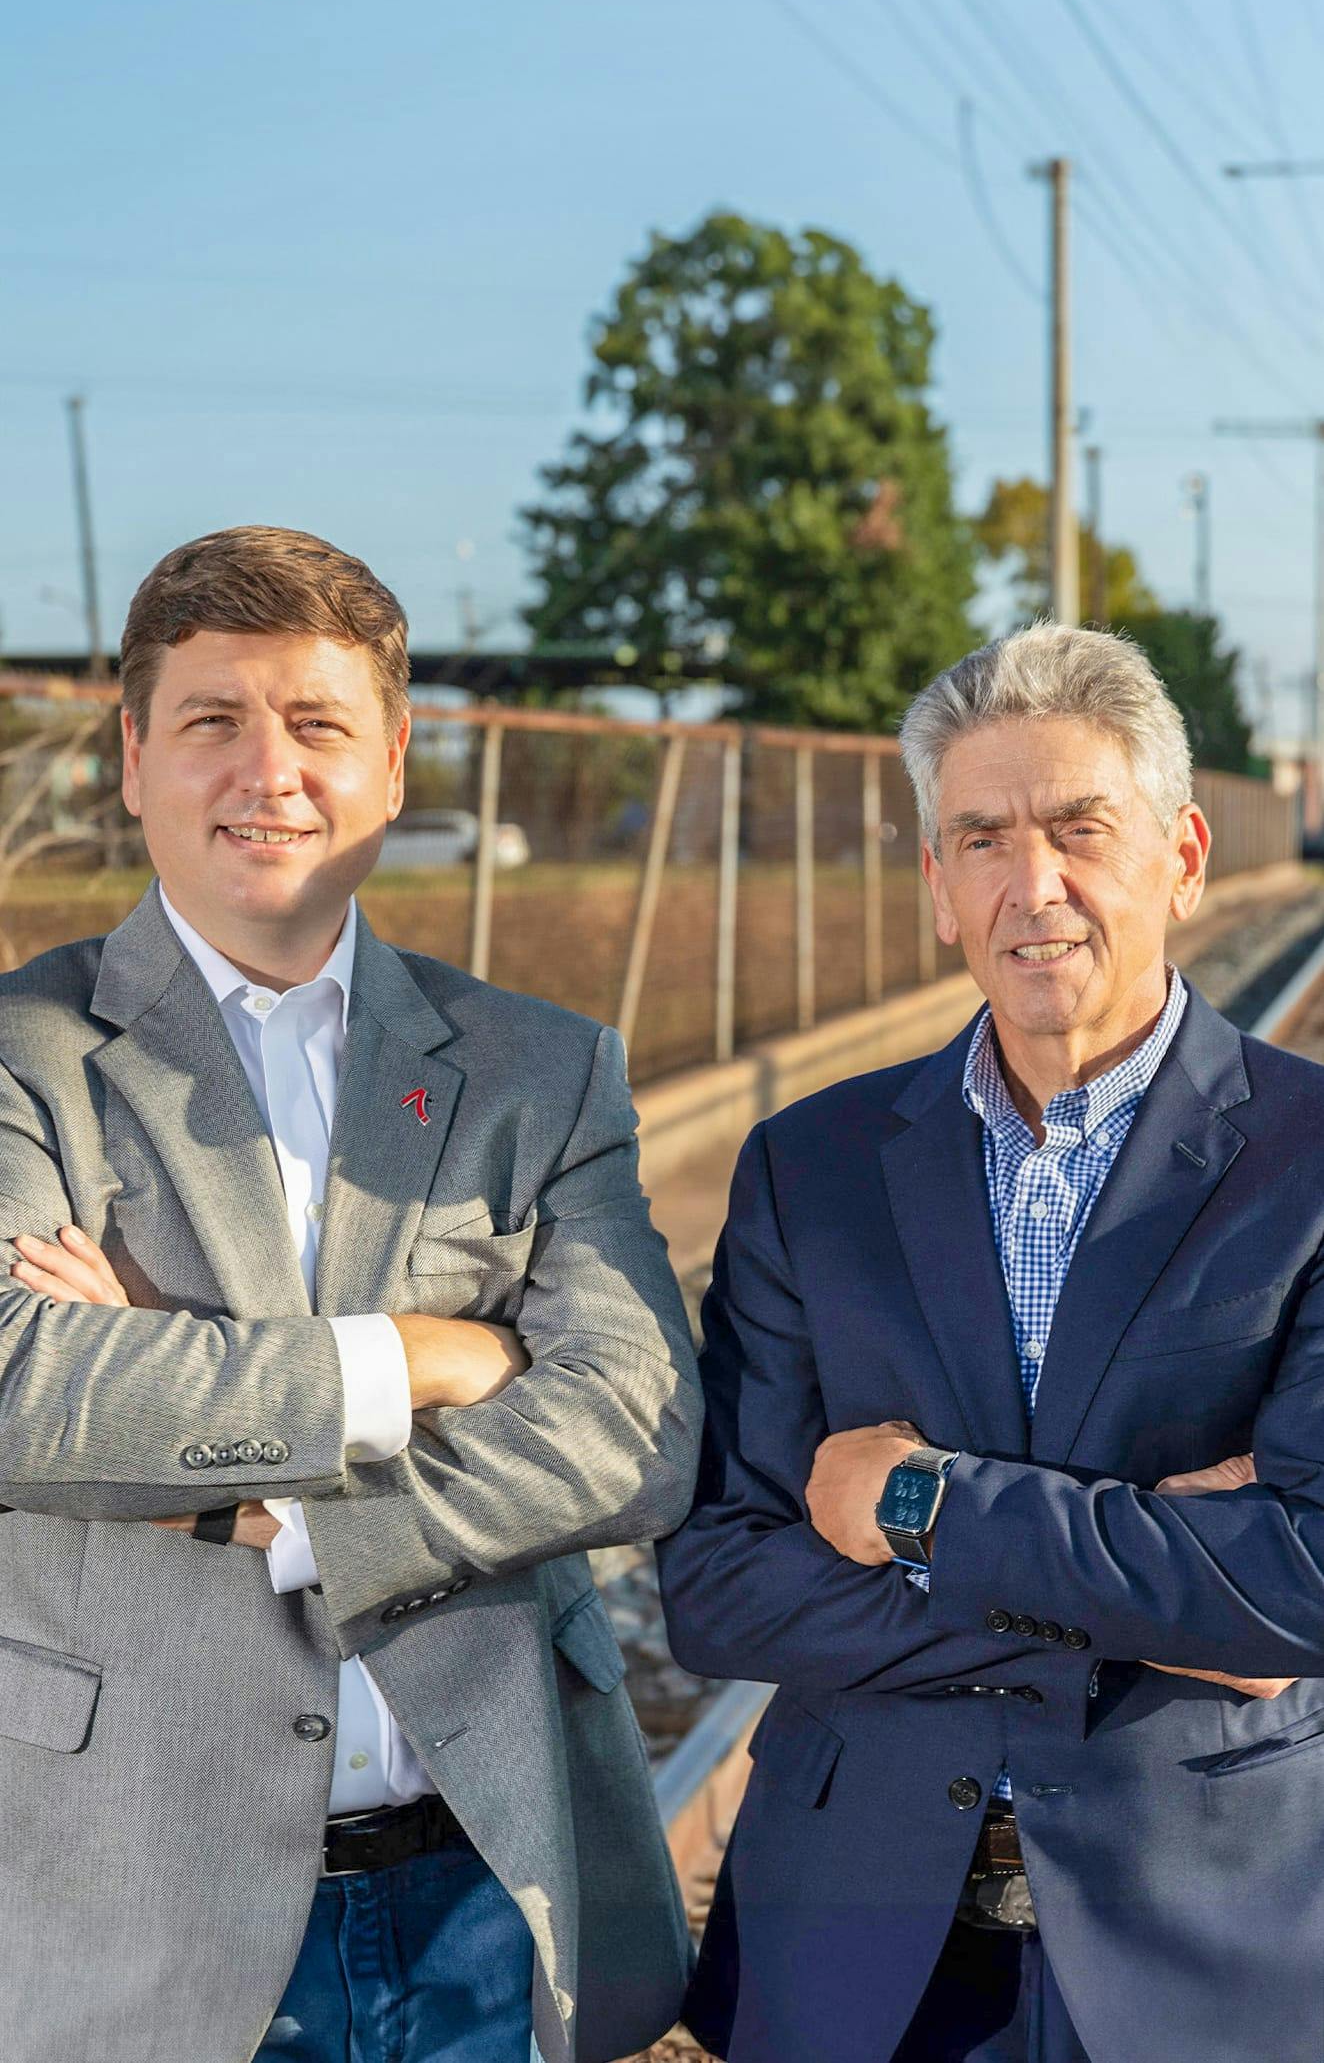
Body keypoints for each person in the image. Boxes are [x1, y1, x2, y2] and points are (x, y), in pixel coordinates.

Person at [0, 526, 702, 2063]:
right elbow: (18, 1390)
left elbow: (641, 1429)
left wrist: (288, 1508)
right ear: (132, 759)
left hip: (485, 1897)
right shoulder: (26, 1056)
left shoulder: (538, 1069)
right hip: (135, 1905)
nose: (271, 770)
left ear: (391, 764)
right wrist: (424, 1357)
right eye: (214, 719)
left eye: (318, 723)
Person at [658, 621, 1324, 2063]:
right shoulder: (811, 1165)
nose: (1035, 885)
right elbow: (716, 1587)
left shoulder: (1312, 1157)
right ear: (938, 888)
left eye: (1081, 828)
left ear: (1184, 856)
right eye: (983, 839)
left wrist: (919, 1506)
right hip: (858, 1943)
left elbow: (1302, 1582)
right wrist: (1163, 1596)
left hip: (1211, 1944)